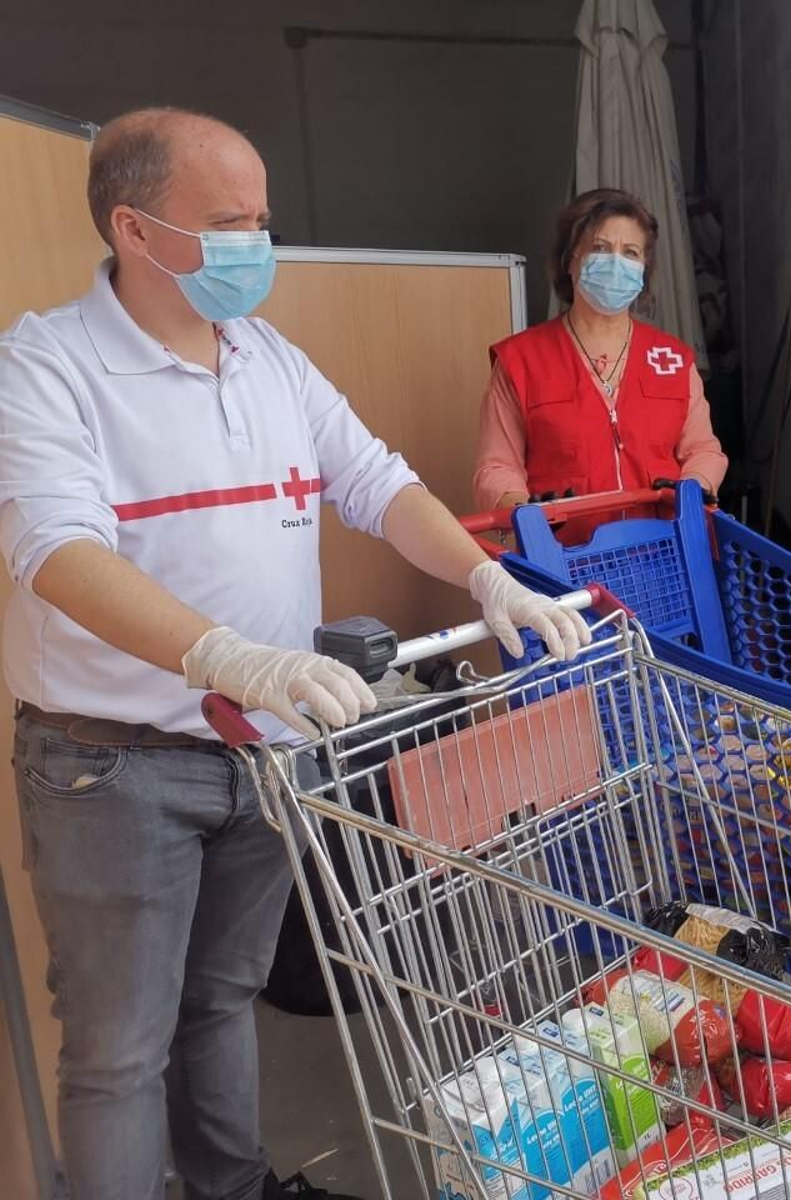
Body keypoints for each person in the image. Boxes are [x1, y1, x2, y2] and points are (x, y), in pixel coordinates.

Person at [0, 109, 591, 1200]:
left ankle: (232, 1189)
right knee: (120, 1050)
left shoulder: (267, 357)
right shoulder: (48, 366)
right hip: (116, 765)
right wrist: (227, 655)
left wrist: (487, 576)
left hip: (269, 747)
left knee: (222, 999)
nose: (255, 246)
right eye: (228, 223)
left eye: (263, 220)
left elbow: (377, 482)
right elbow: (58, 552)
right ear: (135, 230)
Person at [471, 188, 727, 519]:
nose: (616, 263)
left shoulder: (673, 359)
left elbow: (703, 449)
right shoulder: (521, 361)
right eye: (600, 248)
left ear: (644, 269)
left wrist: (693, 488)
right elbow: (496, 466)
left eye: (631, 252)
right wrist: (523, 514)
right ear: (569, 260)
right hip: (563, 557)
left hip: (664, 552)